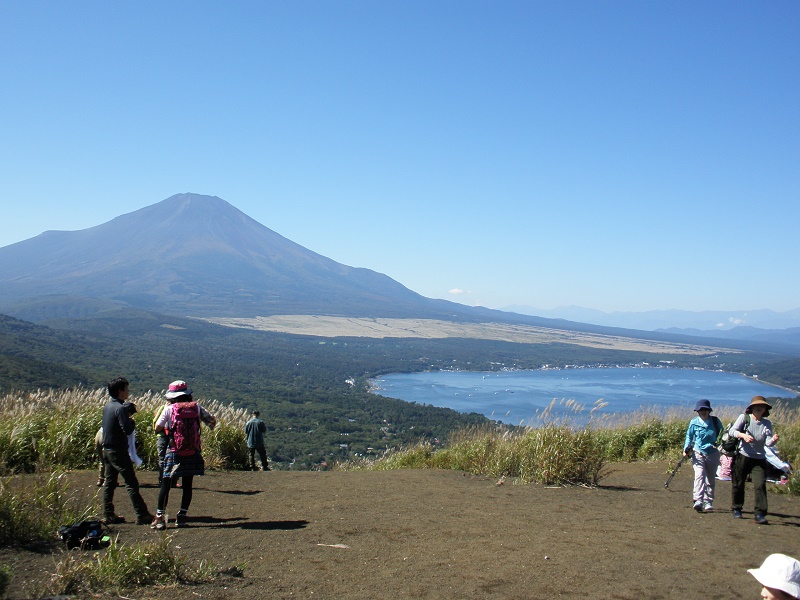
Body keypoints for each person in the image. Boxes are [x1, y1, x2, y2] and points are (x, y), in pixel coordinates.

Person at [151, 380, 216, 530]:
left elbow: (157, 428)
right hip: (192, 451)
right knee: (188, 485)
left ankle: (160, 517)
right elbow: (212, 422)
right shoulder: (197, 408)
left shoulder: (169, 408)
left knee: (166, 484)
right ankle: (182, 516)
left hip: (174, 451)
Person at [100, 377, 153, 525]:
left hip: (107, 450)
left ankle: (108, 514)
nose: (128, 391)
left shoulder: (108, 406)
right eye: (126, 389)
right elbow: (127, 429)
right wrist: (131, 420)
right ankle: (142, 514)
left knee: (110, 483)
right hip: (118, 451)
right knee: (131, 483)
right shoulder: (121, 408)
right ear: (120, 391)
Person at [730, 395, 779, 524]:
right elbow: (732, 431)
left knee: (760, 485)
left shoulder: (767, 423)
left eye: (761, 406)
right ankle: (737, 508)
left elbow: (767, 443)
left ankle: (760, 513)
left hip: (760, 458)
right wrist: (743, 436)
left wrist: (773, 440)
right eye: (756, 406)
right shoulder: (744, 418)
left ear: (765, 409)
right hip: (743, 455)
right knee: (739, 483)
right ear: (751, 407)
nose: (759, 408)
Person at [683, 398, 723, 512]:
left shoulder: (715, 421)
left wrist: (718, 444)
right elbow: (689, 436)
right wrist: (685, 449)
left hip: (713, 453)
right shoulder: (694, 422)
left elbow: (722, 434)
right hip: (698, 452)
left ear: (709, 410)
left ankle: (708, 502)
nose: (703, 411)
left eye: (705, 409)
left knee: (710, 478)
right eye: (701, 409)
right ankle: (698, 500)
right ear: (697, 411)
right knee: (699, 475)